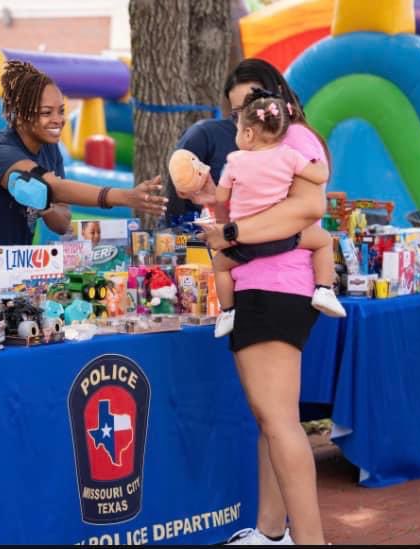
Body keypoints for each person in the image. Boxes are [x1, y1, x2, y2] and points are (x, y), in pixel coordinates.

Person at [169, 58, 331, 545]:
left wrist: (231, 234)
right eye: (238, 108)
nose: (248, 116)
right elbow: (234, 209)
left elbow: (309, 210)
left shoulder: (296, 139)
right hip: (263, 285)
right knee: (272, 417)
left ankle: (309, 539)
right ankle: (271, 530)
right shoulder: (247, 152)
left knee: (279, 422)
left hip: (273, 288)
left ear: (277, 99)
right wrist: (207, 199)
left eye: (255, 103)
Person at [0, 60, 167, 264]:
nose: (58, 120)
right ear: (19, 116)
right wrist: (124, 196)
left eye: (61, 111)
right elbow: (43, 185)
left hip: (8, 269)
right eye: (47, 113)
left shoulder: (49, 150)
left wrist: (45, 207)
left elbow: (62, 222)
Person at [211, 91, 345, 338]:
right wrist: (319, 162)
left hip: (244, 242)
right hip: (284, 239)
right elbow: (320, 176)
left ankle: (227, 312)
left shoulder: (235, 161)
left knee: (219, 265)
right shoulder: (290, 156)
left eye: (238, 129)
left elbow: (220, 198)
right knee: (324, 240)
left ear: (249, 133)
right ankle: (324, 289)